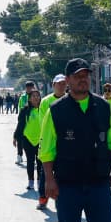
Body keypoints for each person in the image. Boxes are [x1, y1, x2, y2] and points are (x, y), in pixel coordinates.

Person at [39, 58, 111, 222]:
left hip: (99, 181)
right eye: (77, 76)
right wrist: (49, 180)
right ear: (68, 80)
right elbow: (47, 149)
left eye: (85, 75)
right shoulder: (56, 111)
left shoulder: (103, 107)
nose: (82, 79)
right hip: (68, 182)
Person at [36, 74, 68, 211]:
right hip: (49, 142)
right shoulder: (45, 101)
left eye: (63, 84)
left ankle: (63, 199)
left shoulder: (70, 100)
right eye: (59, 84)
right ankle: (43, 199)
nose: (61, 86)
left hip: (66, 143)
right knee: (45, 173)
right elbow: (43, 122)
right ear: (53, 85)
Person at [14, 89, 45, 200]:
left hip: (41, 140)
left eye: (37, 96)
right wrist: (15, 137)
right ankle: (30, 182)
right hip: (28, 139)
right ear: (30, 99)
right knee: (30, 161)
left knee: (40, 162)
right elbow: (20, 125)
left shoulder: (44, 109)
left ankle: (40, 182)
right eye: (33, 96)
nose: (36, 98)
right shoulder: (25, 110)